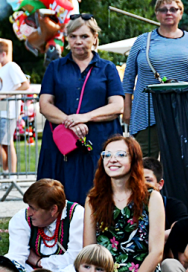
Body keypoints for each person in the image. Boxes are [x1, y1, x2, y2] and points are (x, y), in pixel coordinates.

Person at [84, 136, 165, 272]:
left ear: (134, 160)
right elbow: (89, 251)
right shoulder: (94, 199)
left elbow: (156, 252)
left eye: (121, 154)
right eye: (107, 155)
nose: (113, 159)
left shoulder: (151, 197)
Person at [37, 15, 124, 205]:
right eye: (73, 36)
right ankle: (59, 232)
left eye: (84, 36)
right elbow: (45, 104)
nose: (78, 41)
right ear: (67, 39)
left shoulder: (107, 68)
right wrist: (71, 122)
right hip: (63, 144)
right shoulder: (55, 68)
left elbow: (117, 105)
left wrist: (84, 118)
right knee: (56, 194)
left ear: (95, 38)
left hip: (98, 141)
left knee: (99, 193)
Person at [123, 0, 188, 157]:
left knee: (181, 162)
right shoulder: (143, 40)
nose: (168, 12)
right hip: (147, 112)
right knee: (144, 162)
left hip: (184, 112)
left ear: (181, 13)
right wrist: (127, 109)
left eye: (173, 9)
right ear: (156, 14)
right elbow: (128, 77)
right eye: (163, 9)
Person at [5, 179, 84, 272]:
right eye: (29, 206)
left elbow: (75, 258)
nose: (29, 213)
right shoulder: (21, 218)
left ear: (53, 210)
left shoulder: (76, 215)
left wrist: (40, 262)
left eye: (33, 208)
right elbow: (16, 258)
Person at [0, 41, 29, 173]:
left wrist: (6, 95)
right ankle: (9, 173)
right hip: (1, 110)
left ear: (3, 54)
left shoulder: (12, 66)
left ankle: (10, 173)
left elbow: (25, 84)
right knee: (5, 144)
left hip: (8, 111)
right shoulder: (1, 69)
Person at [143, 156, 188, 238]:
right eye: (138, 180)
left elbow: (181, 230)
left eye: (148, 180)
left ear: (160, 184)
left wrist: (153, 239)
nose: (142, 185)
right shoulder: (125, 208)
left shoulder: (174, 206)